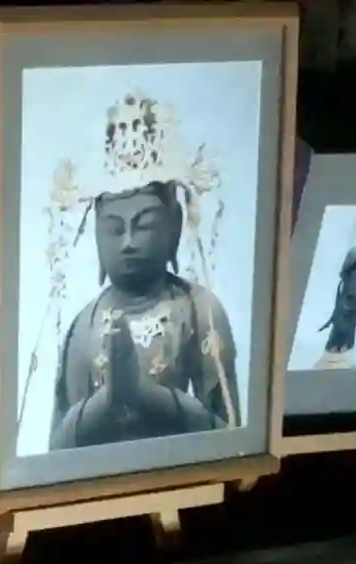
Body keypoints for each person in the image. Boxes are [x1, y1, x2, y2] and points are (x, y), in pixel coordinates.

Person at [48, 103, 241, 449]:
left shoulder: (199, 311)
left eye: (146, 225)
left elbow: (232, 443)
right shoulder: (83, 327)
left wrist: (150, 398)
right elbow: (59, 449)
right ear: (96, 235)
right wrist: (105, 404)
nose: (128, 242)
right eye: (113, 228)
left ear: (175, 226)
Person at [319, 222, 356, 359]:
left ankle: (336, 345)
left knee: (344, 316)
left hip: (352, 286)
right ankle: (344, 345)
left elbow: (344, 269)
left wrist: (348, 278)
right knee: (351, 317)